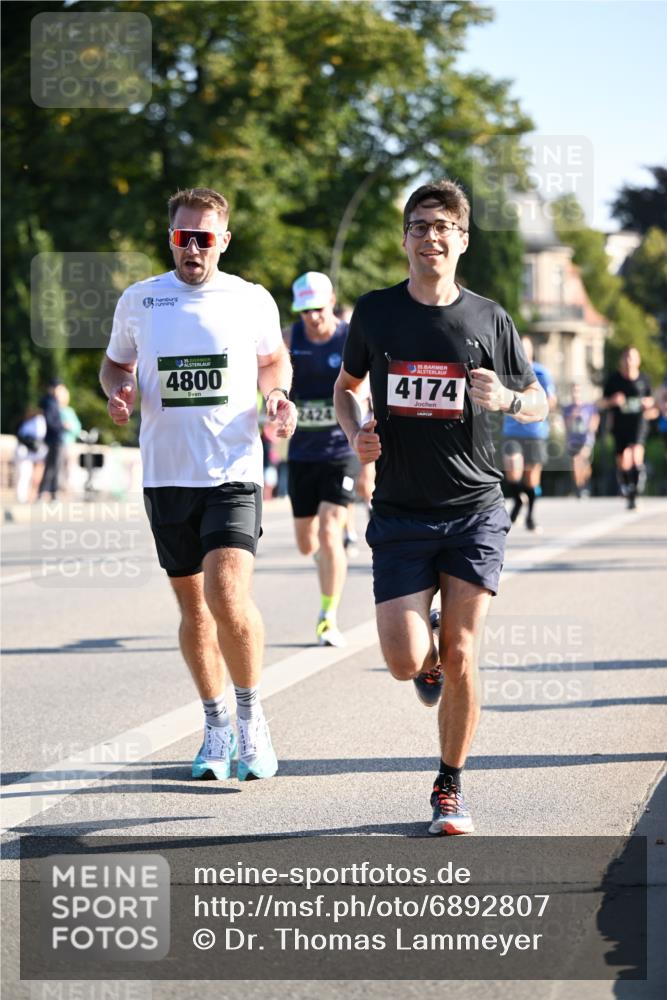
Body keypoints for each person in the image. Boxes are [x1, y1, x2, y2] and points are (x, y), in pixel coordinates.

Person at [334, 180, 547, 836]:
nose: (431, 237)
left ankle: (448, 784)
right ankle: (421, 651)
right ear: (405, 240)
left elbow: (538, 398)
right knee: (404, 662)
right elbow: (346, 388)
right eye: (420, 226)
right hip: (399, 509)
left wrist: (508, 402)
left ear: (461, 241)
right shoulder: (374, 314)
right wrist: (355, 432)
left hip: (474, 507)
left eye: (443, 227)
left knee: (460, 652)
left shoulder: (489, 320)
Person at [100, 186, 297, 782]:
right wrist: (117, 391)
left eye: (204, 238)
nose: (193, 248)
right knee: (194, 608)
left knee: (227, 593)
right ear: (171, 239)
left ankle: (249, 714)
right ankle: (213, 724)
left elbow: (274, 360)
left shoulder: (250, 299)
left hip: (232, 470)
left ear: (223, 242)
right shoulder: (140, 300)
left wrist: (277, 396)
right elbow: (115, 364)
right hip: (167, 475)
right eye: (184, 237)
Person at [285, 271, 358, 647]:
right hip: (301, 453)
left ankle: (328, 616)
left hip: (340, 450)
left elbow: (372, 389)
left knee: (332, 531)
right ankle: (326, 561)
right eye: (304, 310)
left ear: (331, 302)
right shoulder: (289, 339)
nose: (312, 317)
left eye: (318, 308)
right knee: (306, 543)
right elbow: (269, 379)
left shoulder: (350, 339)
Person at [501, 336, 556, 531]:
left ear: (532, 350)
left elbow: (551, 401)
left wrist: (530, 403)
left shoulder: (541, 373)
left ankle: (531, 516)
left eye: (526, 348)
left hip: (535, 431)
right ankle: (517, 500)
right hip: (512, 430)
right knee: (512, 472)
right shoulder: (506, 372)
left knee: (532, 479)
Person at [601, 346, 656, 509]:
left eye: (632, 358)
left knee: (635, 455)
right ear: (621, 361)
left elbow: (652, 402)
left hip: (638, 423)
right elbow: (601, 402)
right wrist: (612, 401)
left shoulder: (644, 380)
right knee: (623, 461)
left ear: (638, 361)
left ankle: (636, 488)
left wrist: (648, 403)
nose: (629, 361)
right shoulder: (614, 380)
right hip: (619, 424)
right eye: (626, 358)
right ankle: (628, 489)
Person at [561, 383, 599, 498]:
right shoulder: (567, 409)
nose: (576, 394)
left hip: (586, 439)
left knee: (581, 459)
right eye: (574, 391)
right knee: (576, 462)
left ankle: (584, 485)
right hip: (573, 441)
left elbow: (594, 424)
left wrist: (590, 428)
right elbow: (566, 427)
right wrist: (572, 416)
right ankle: (580, 487)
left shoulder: (589, 407)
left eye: (578, 391)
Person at [37, 378, 65, 500]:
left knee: (54, 467)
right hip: (54, 438)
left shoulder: (51, 401)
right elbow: (51, 422)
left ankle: (50, 493)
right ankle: (48, 493)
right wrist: (62, 426)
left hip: (53, 438)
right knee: (52, 467)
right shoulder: (50, 402)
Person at [14, 407, 48, 503]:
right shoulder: (34, 422)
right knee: (24, 474)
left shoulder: (27, 423)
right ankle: (22, 496)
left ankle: (25, 496)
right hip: (25, 452)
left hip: (29, 452)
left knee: (25, 475)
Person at [56, 383, 82, 498]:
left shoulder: (68, 411)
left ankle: (68, 490)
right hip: (57, 444)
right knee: (59, 468)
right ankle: (59, 489)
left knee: (69, 468)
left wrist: (68, 426)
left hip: (68, 443)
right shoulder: (54, 410)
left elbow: (77, 428)